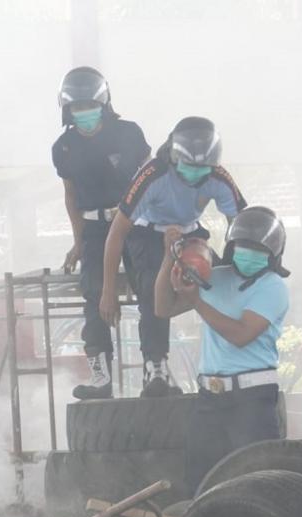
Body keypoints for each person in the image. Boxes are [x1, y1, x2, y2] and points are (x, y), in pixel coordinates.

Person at [100, 116, 247, 397]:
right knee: (154, 288)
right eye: (189, 166)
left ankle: (227, 358)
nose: (196, 174)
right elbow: (116, 234)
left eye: (203, 168)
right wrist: (108, 291)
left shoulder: (219, 177)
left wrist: (238, 269)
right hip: (147, 234)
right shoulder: (152, 175)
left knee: (226, 281)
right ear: (172, 156)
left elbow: (239, 225)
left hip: (191, 234)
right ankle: (155, 365)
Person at [154, 206, 290, 491]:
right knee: (201, 484)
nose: (248, 252)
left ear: (273, 255)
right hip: (210, 399)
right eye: (243, 245)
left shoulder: (273, 286)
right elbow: (163, 307)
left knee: (256, 485)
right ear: (231, 246)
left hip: (252, 400)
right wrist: (170, 257)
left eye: (256, 247)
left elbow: (241, 335)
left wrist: (197, 302)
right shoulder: (214, 276)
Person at [51, 67, 151, 400]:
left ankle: (156, 368)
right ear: (68, 111)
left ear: (104, 104)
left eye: (89, 106)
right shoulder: (63, 147)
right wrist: (79, 240)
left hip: (136, 223)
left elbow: (151, 179)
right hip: (94, 226)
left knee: (150, 288)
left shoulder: (129, 134)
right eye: (77, 108)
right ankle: (101, 375)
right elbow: (70, 195)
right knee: (94, 293)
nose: (84, 114)